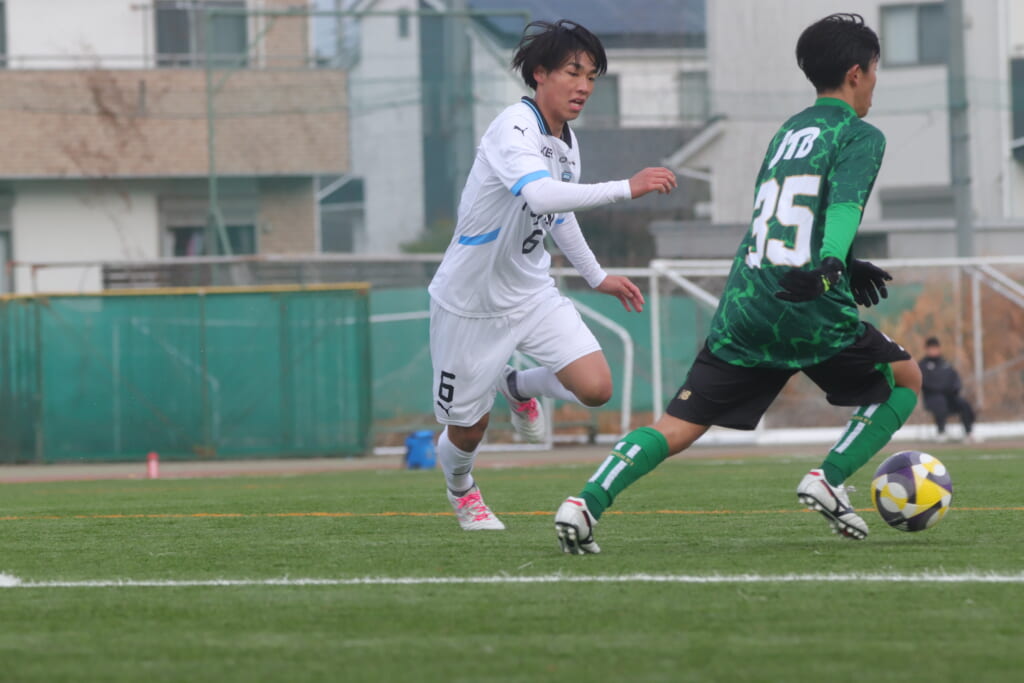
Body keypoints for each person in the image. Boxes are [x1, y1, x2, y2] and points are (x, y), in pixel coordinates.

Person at [554, 12, 922, 553]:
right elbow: (843, 207)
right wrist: (833, 264)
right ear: (855, 74)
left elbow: (783, 213)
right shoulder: (860, 134)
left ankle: (585, 503)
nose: (873, 84)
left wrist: (848, 259)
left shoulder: (788, 131)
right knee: (906, 379)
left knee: (678, 424)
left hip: (747, 302)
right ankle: (828, 477)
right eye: (873, 72)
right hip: (809, 300)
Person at [428, 19, 677, 531]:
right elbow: (541, 196)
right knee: (468, 430)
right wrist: (626, 188)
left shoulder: (566, 141)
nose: (584, 86)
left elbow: (557, 214)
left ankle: (517, 384)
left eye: (591, 77)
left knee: (596, 387)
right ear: (539, 73)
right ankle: (462, 489)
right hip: (470, 302)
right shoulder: (513, 128)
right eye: (573, 72)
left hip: (531, 293)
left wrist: (596, 276)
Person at [919, 337, 977, 442]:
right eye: (931, 348)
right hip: (932, 397)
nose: (933, 350)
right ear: (927, 349)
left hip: (950, 396)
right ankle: (941, 432)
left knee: (964, 404)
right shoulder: (922, 365)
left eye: (935, 348)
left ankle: (969, 433)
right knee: (940, 402)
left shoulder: (946, 364)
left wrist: (954, 389)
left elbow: (956, 379)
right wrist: (939, 389)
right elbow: (924, 383)